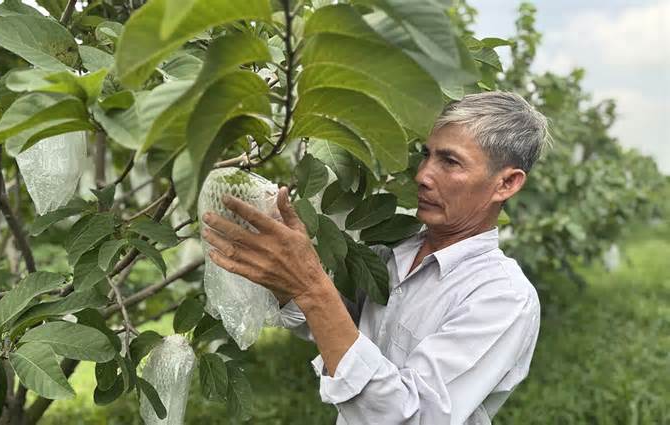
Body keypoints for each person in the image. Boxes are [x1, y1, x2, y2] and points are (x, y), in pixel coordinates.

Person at [201, 91, 550, 424]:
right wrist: (285, 279)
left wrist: (310, 284)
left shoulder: (502, 297)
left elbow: (410, 417)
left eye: (450, 161)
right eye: (427, 155)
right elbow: (343, 333)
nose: (423, 175)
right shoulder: (393, 247)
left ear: (506, 184)